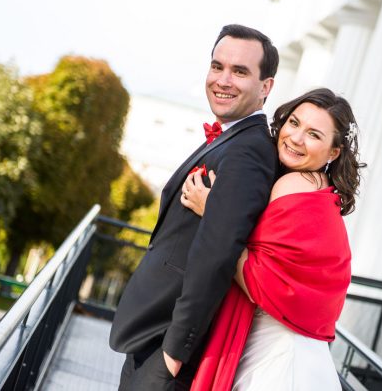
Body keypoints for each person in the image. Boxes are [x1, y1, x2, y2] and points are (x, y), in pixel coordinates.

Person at [109, 24, 280, 390]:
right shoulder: (232, 137)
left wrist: (174, 353)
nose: (223, 80)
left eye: (239, 71)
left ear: (265, 87)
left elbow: (218, 254)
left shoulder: (249, 151)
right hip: (152, 331)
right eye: (217, 66)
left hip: (169, 346)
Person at [182, 88, 365, 390]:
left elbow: (260, 280)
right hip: (302, 355)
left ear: (334, 152)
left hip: (279, 360)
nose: (296, 138)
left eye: (314, 135)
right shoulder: (321, 190)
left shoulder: (295, 183)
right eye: (294, 123)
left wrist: (213, 213)